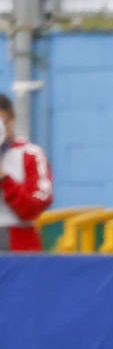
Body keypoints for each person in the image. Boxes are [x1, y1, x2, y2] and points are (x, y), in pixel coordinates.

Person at [0, 92, 54, 252]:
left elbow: (32, 209)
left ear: (12, 120)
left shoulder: (30, 154)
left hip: (16, 240)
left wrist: (4, 179)